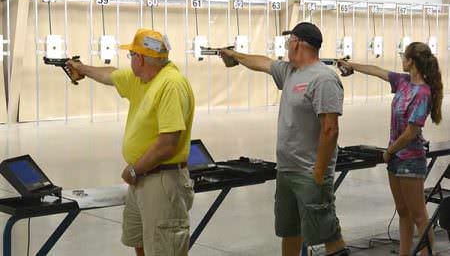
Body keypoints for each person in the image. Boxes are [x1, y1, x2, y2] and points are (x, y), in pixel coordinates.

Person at [221, 22, 349, 256]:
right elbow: (262, 63)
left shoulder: (324, 79)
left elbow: (330, 130)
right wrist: (233, 54)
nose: (287, 45)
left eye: (289, 40)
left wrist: (319, 172)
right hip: (287, 170)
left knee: (328, 235)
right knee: (289, 232)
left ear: (298, 43)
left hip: (310, 173)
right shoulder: (290, 71)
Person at [67, 28, 195, 256]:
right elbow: (110, 75)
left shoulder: (170, 85)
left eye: (132, 55)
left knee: (165, 248)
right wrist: (82, 68)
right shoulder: (142, 78)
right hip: (144, 179)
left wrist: (135, 170)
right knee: (141, 241)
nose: (130, 59)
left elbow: (168, 143)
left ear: (142, 58)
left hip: (161, 180)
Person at [338, 42, 443, 256]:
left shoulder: (422, 93)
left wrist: (390, 151)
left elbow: (411, 132)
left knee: (418, 215)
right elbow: (377, 71)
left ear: (411, 61)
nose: (402, 61)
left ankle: (429, 253)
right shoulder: (403, 82)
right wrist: (352, 66)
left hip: (410, 159)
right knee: (403, 211)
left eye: (404, 57)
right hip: (396, 158)